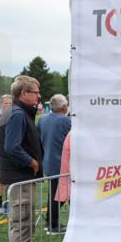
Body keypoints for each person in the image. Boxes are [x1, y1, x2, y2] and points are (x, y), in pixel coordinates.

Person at [0, 76, 43, 242]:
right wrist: (32, 162)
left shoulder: (18, 113)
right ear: (23, 94)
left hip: (22, 180)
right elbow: (12, 147)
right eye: (35, 92)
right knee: (21, 228)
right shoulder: (17, 114)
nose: (38, 95)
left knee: (24, 227)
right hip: (21, 180)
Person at [37, 94, 71, 233]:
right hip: (62, 163)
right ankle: (53, 224)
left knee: (55, 194)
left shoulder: (43, 119)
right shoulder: (65, 120)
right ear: (63, 107)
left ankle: (52, 222)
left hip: (48, 161)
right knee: (61, 195)